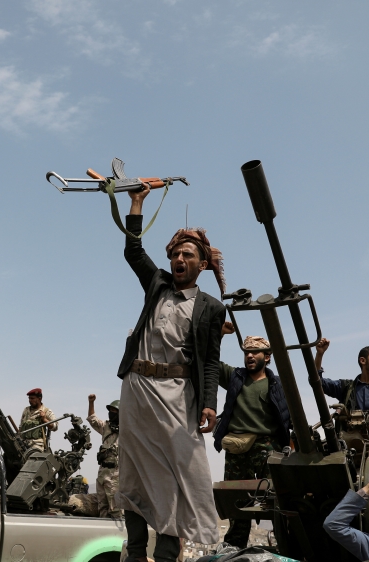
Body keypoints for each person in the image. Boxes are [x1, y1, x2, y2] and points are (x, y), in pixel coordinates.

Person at [116, 185, 227, 562]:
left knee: (178, 475)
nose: (180, 258)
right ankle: (135, 554)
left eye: (188, 254)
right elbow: (134, 252)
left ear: (202, 265)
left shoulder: (212, 308)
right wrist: (136, 203)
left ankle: (165, 555)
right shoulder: (157, 284)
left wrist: (209, 403)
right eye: (176, 253)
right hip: (137, 388)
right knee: (132, 472)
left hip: (177, 395)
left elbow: (210, 361)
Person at [213, 331, 291, 548]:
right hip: (237, 446)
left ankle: (284, 544)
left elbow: (288, 415)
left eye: (255, 352)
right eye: (247, 352)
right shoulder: (236, 378)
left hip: (267, 445)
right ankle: (234, 547)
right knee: (237, 501)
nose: (249, 356)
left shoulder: (276, 384)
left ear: (267, 357)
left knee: (275, 498)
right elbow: (212, 362)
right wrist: (220, 335)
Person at [315, 338, 369, 466]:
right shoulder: (346, 388)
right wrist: (319, 354)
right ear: (363, 360)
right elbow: (318, 382)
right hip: (352, 453)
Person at [87, 394, 121, 519]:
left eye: (114, 411)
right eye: (110, 410)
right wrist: (91, 402)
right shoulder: (106, 427)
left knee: (116, 508)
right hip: (103, 472)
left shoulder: (128, 430)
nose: (111, 413)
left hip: (116, 473)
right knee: (102, 507)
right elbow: (92, 419)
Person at [19, 389, 57, 453]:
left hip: (37, 444)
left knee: (32, 456)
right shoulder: (26, 410)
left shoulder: (46, 411)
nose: (30, 400)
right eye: (29, 398)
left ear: (39, 399)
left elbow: (55, 427)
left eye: (32, 398)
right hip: (24, 443)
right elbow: (21, 427)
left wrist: (44, 419)